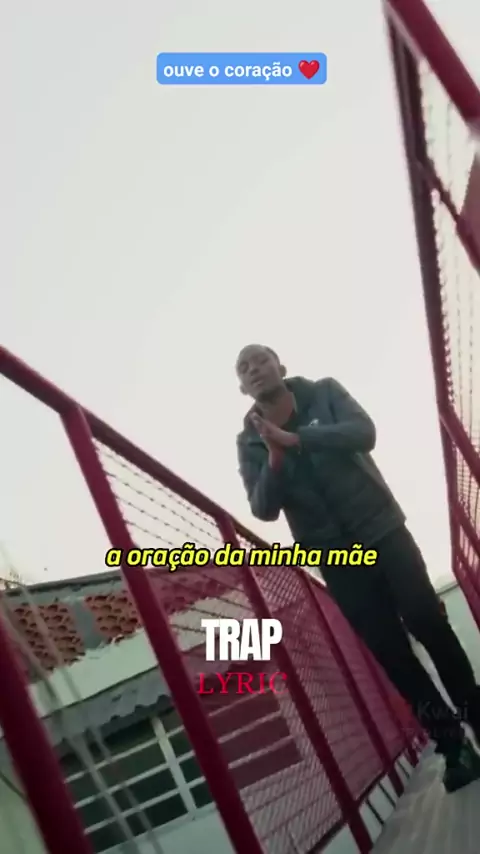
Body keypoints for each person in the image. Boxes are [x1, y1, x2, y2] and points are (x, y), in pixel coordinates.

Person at [236, 343, 480, 793]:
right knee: (391, 652)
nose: (254, 369)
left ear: (280, 366)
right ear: (242, 388)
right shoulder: (248, 440)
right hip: (336, 558)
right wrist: (274, 456)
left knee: (426, 619)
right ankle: (452, 745)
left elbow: (363, 433)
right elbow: (263, 508)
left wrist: (297, 439)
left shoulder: (324, 393)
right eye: (244, 368)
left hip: (381, 527)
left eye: (261, 360)